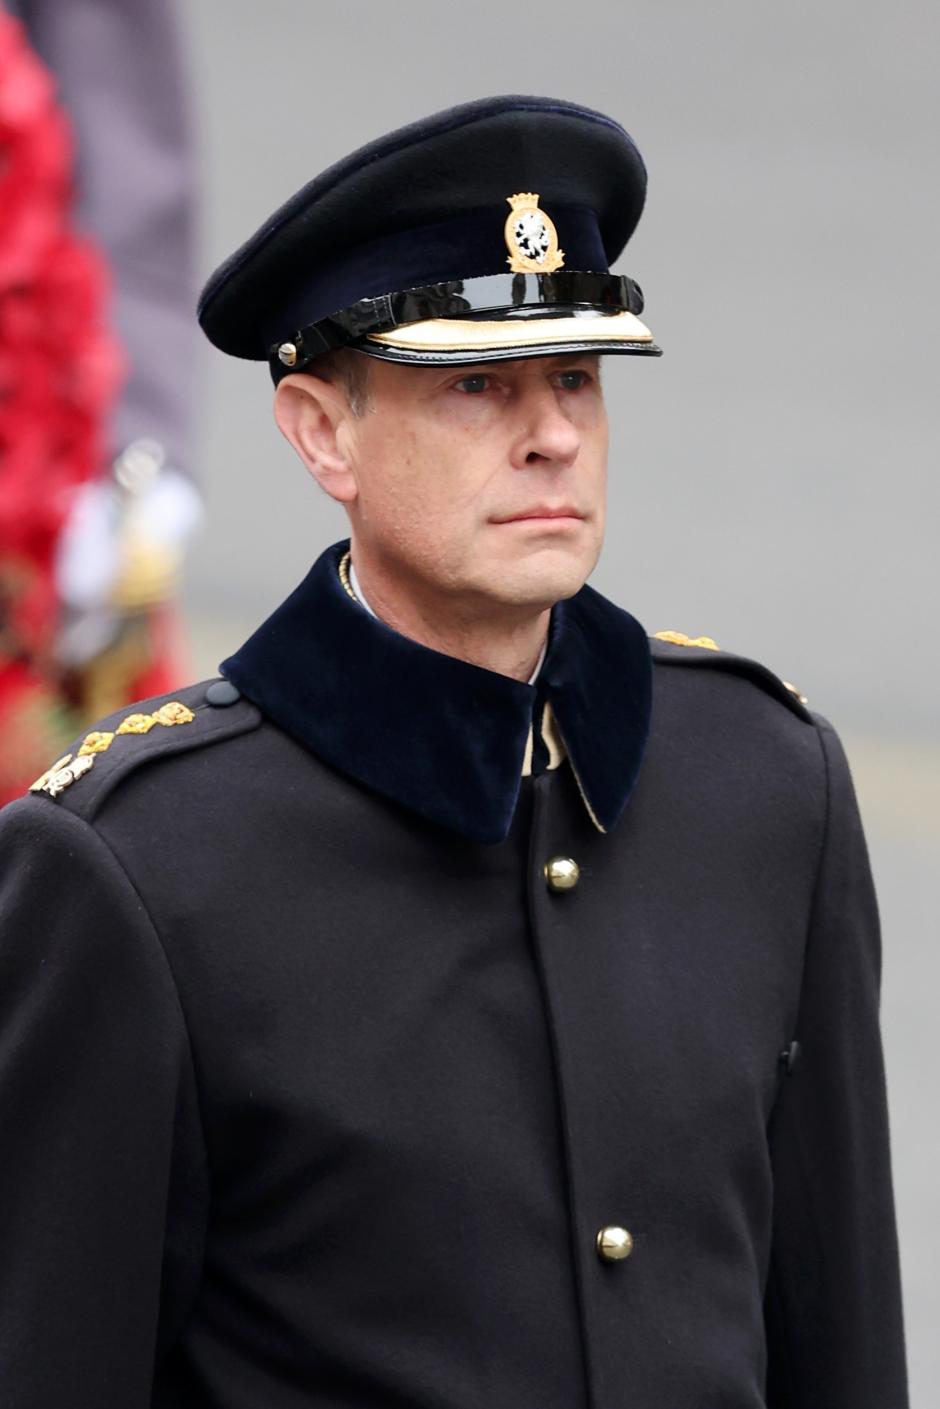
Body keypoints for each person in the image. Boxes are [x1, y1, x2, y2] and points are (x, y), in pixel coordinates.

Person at [0, 95, 908, 1408]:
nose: (551, 434)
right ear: (323, 432)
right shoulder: (134, 871)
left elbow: (844, 1347)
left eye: (577, 378)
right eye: (477, 383)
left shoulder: (767, 788)